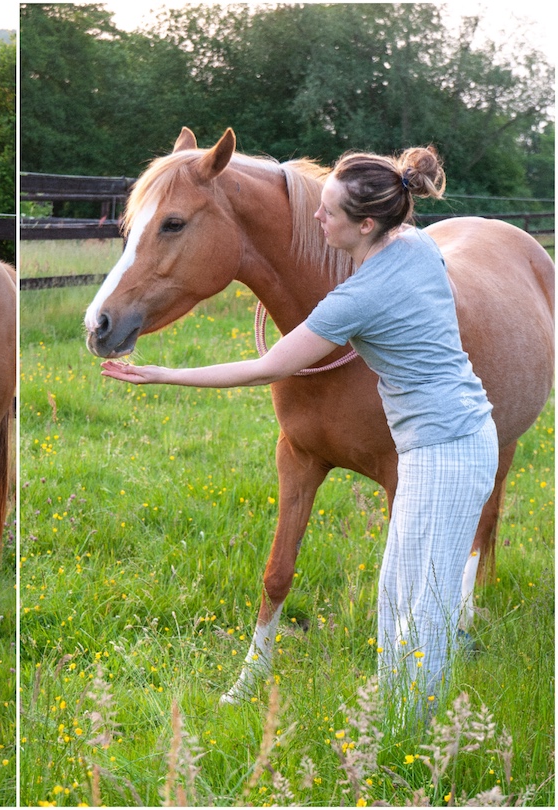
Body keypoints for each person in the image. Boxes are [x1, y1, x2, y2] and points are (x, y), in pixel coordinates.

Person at [101, 146, 497, 717]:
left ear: (364, 225)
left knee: (422, 601)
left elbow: (268, 367)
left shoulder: (360, 297)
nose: (314, 215)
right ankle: (398, 722)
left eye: (329, 211)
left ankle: (418, 736)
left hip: (444, 449)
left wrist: (163, 374)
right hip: (456, 433)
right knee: (398, 593)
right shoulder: (414, 245)